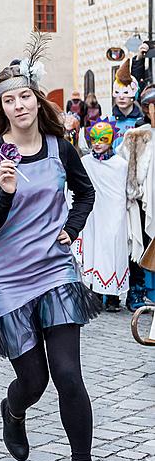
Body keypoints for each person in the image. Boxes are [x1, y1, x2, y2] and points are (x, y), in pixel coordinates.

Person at [0, 49, 99, 461]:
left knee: (67, 373)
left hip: (54, 268)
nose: (19, 106)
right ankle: (13, 409)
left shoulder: (61, 148)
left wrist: (71, 229)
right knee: (34, 380)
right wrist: (3, 195)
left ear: (38, 101)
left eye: (25, 96)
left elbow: (85, 192)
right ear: (0, 108)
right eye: (9, 100)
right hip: (7, 277)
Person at [75, 121, 130, 312]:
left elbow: (126, 190)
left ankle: (113, 295)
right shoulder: (85, 163)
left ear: (112, 139)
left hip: (114, 212)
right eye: (94, 139)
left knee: (113, 247)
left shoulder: (121, 164)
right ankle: (95, 293)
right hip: (94, 212)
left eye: (103, 139)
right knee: (94, 247)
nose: (98, 143)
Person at [119, 85, 155, 311]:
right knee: (140, 246)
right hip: (143, 201)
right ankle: (137, 291)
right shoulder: (137, 136)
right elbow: (127, 170)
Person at [112, 58, 143, 148]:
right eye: (117, 93)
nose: (121, 97)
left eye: (126, 93)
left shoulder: (141, 122)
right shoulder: (110, 122)